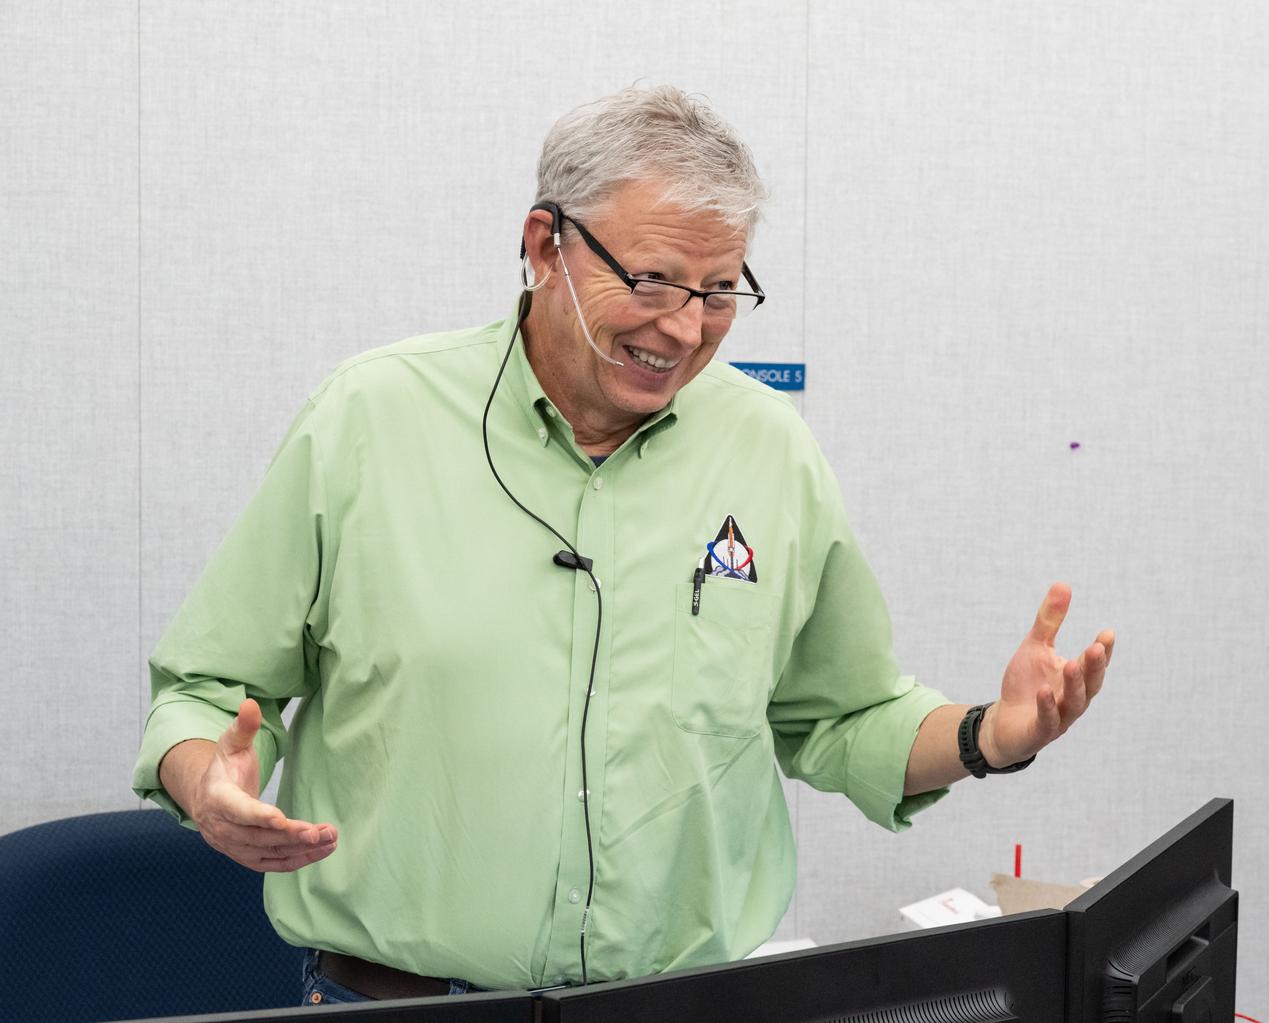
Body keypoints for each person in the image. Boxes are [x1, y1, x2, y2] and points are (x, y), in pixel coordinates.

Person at [133, 86, 1114, 1004]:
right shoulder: (367, 419)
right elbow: (203, 689)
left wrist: (993, 736)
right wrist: (206, 783)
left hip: (684, 1009)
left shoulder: (768, 450)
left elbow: (842, 718)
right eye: (651, 280)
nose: (684, 328)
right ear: (543, 246)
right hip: (392, 1001)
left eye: (719, 290)